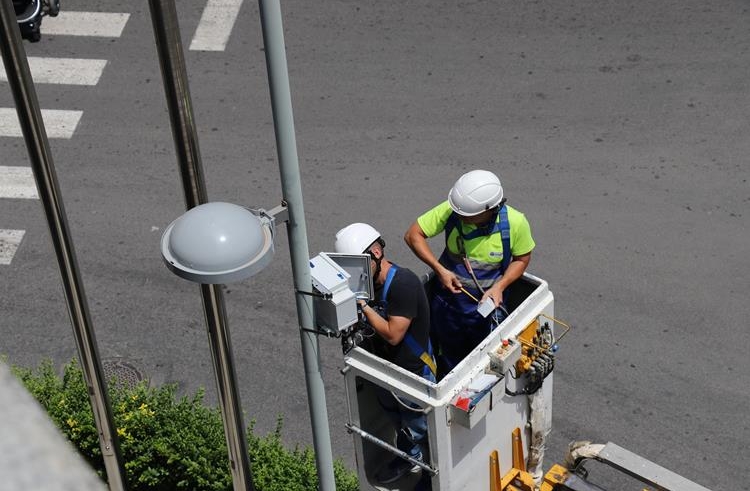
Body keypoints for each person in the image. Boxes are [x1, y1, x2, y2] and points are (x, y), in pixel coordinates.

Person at [404, 169, 535, 375]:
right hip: (448, 307)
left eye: (469, 216)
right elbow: (413, 235)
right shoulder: (454, 210)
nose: (461, 217)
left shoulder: (515, 223)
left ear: (491, 209)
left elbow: (522, 259)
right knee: (450, 360)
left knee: (486, 364)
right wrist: (440, 270)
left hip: (487, 311)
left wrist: (500, 286)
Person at [334, 223, 436, 486]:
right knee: (397, 419)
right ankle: (410, 455)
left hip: (411, 375)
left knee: (421, 428)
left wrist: (362, 306)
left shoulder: (403, 283)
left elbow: (393, 333)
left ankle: (431, 472)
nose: (353, 275)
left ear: (377, 253)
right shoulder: (366, 283)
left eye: (358, 266)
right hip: (384, 369)